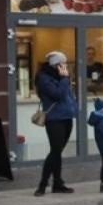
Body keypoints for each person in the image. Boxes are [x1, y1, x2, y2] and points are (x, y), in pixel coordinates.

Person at [35, 51, 78, 195]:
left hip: (66, 117)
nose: (65, 66)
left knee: (57, 153)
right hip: (54, 119)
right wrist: (65, 78)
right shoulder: (44, 78)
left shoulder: (60, 76)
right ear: (55, 65)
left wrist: (74, 108)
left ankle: (57, 183)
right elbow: (58, 94)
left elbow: (68, 95)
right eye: (63, 63)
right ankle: (42, 184)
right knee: (55, 152)